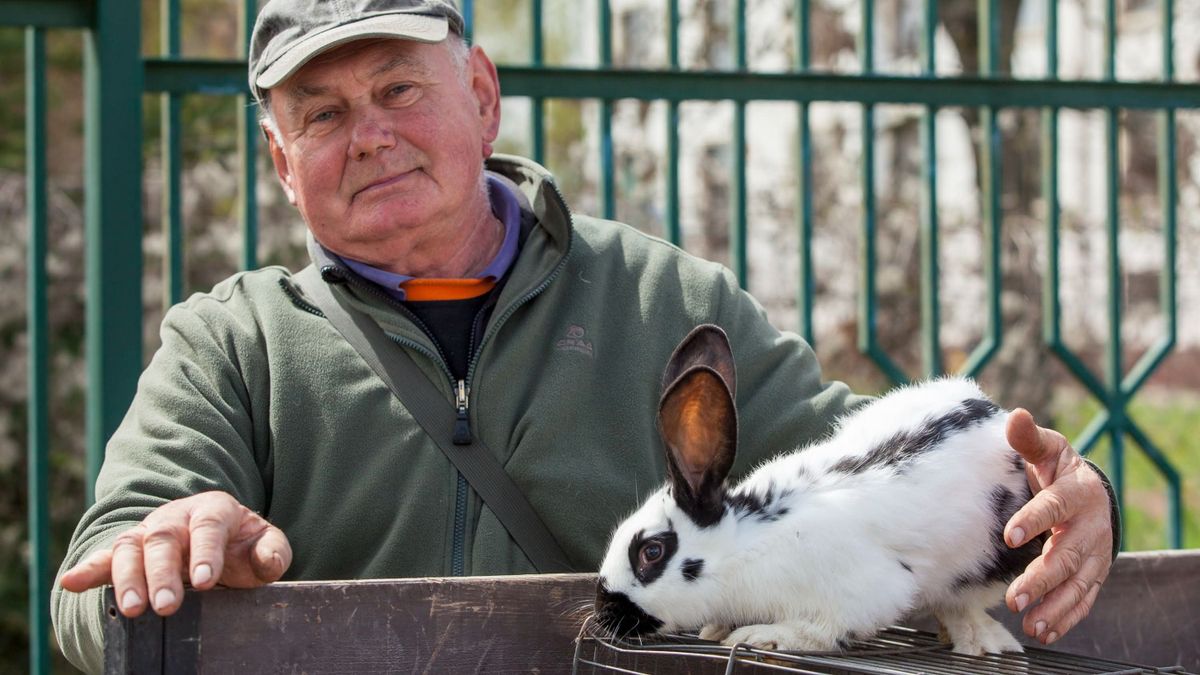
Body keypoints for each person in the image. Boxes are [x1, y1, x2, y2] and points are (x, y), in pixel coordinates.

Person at [52, 0, 1120, 671]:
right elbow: (89, 607)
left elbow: (873, 475)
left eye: (397, 89)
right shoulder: (228, 342)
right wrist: (157, 554)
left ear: (479, 98)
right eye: (321, 115)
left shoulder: (663, 296)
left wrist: (1065, 500)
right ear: (283, 165)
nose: (368, 134)